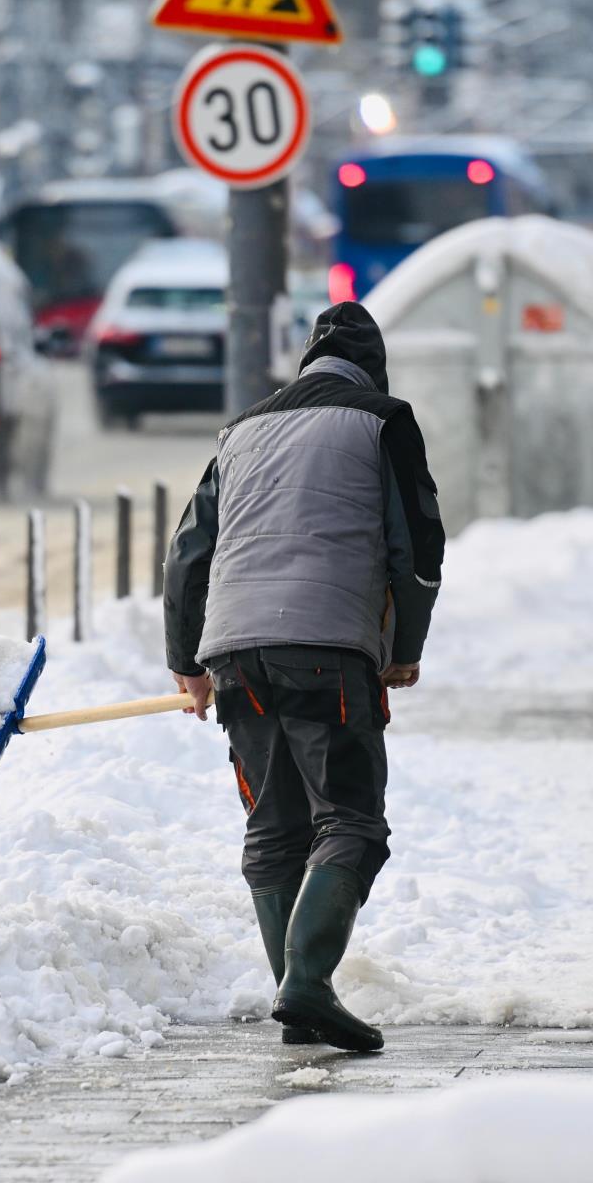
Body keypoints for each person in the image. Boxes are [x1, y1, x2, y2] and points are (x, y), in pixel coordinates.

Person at [163, 301, 445, 1051]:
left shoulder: (244, 428)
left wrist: (187, 663)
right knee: (351, 819)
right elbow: (415, 548)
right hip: (326, 648)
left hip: (235, 653)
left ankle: (298, 996)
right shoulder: (382, 418)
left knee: (276, 828)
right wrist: (403, 646)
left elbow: (188, 555)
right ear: (373, 366)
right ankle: (307, 984)